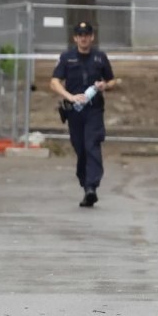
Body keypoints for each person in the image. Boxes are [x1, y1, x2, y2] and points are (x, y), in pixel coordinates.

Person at [49, 21, 117, 208]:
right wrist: (69, 96)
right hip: (74, 112)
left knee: (91, 145)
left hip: (94, 110)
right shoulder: (67, 57)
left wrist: (105, 86)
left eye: (87, 34)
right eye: (80, 35)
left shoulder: (100, 57)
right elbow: (54, 82)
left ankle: (91, 187)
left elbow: (112, 80)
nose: (83, 38)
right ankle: (85, 183)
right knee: (80, 149)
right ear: (75, 38)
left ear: (92, 37)